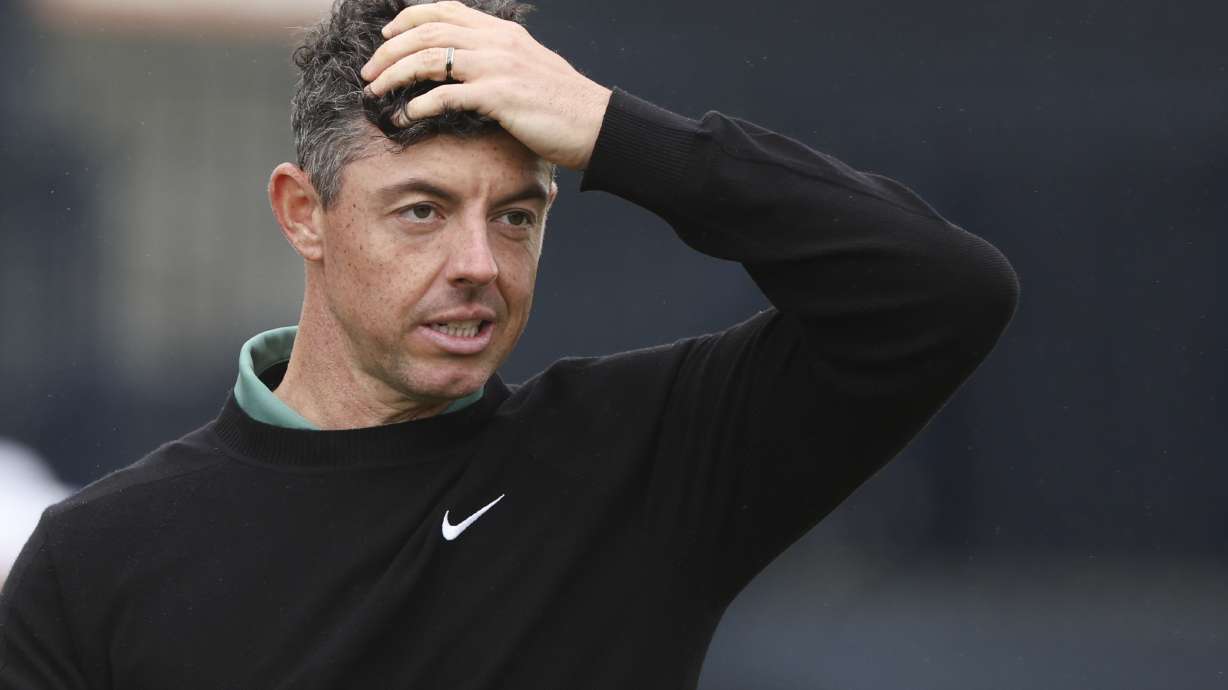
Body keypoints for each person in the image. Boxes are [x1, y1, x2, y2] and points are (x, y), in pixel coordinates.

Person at [0, 0, 1019, 687]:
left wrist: (614, 128)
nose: (480, 263)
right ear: (301, 212)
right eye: (422, 212)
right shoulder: (95, 561)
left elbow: (941, 291)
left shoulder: (644, 460)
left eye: (518, 217)